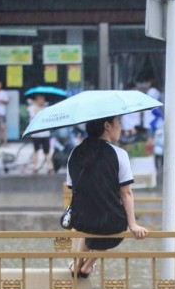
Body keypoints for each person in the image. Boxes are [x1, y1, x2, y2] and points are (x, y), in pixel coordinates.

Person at [66, 115, 148, 278]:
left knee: (91, 229)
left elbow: (72, 187)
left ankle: (77, 262)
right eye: (118, 122)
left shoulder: (74, 152)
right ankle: (87, 266)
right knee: (113, 227)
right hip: (109, 221)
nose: (121, 127)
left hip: (80, 218)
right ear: (107, 126)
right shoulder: (119, 154)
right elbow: (126, 193)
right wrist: (132, 224)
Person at [27, 94, 53, 174]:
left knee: (47, 151)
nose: (43, 101)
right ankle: (35, 166)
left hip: (45, 133)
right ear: (37, 100)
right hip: (36, 134)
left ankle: (49, 167)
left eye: (43, 99)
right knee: (36, 150)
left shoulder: (45, 108)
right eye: (41, 99)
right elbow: (33, 116)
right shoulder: (31, 108)